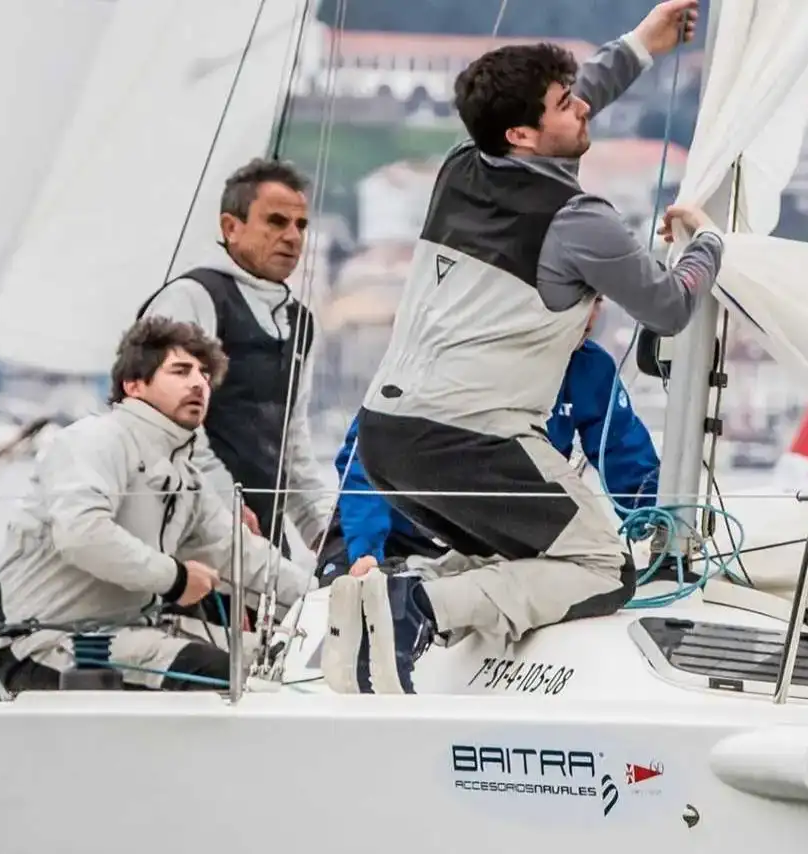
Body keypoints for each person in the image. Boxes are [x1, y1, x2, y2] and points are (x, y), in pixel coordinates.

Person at [325, 0, 720, 695]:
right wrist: (709, 243)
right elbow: (669, 305)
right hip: (472, 436)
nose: (583, 110)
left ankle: (385, 610)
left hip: (388, 434)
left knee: (517, 553)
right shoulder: (580, 221)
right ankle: (421, 606)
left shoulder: (461, 166)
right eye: (565, 105)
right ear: (522, 133)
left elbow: (570, 102)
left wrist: (642, 44)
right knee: (602, 567)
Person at [0, 317, 317, 693]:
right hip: (48, 646)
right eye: (181, 371)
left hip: (131, 634)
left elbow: (237, 552)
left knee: (283, 657)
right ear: (134, 385)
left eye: (204, 374)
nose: (198, 383)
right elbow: (81, 533)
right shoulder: (94, 441)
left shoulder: (186, 475)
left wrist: (322, 593)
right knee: (226, 674)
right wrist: (175, 579)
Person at [320, 301, 660, 577]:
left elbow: (622, 451)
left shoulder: (589, 369)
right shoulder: (464, 354)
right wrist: (366, 553)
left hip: (481, 537)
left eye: (597, 301)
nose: (589, 315)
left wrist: (658, 522)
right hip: (388, 529)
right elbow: (368, 454)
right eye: (580, 299)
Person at [136, 158, 333, 554]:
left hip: (260, 539)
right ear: (231, 227)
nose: (293, 237)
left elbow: (291, 445)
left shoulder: (300, 322)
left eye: (301, 225)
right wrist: (226, 505)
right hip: (188, 532)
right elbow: (165, 425)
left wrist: (330, 534)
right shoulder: (192, 297)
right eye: (276, 222)